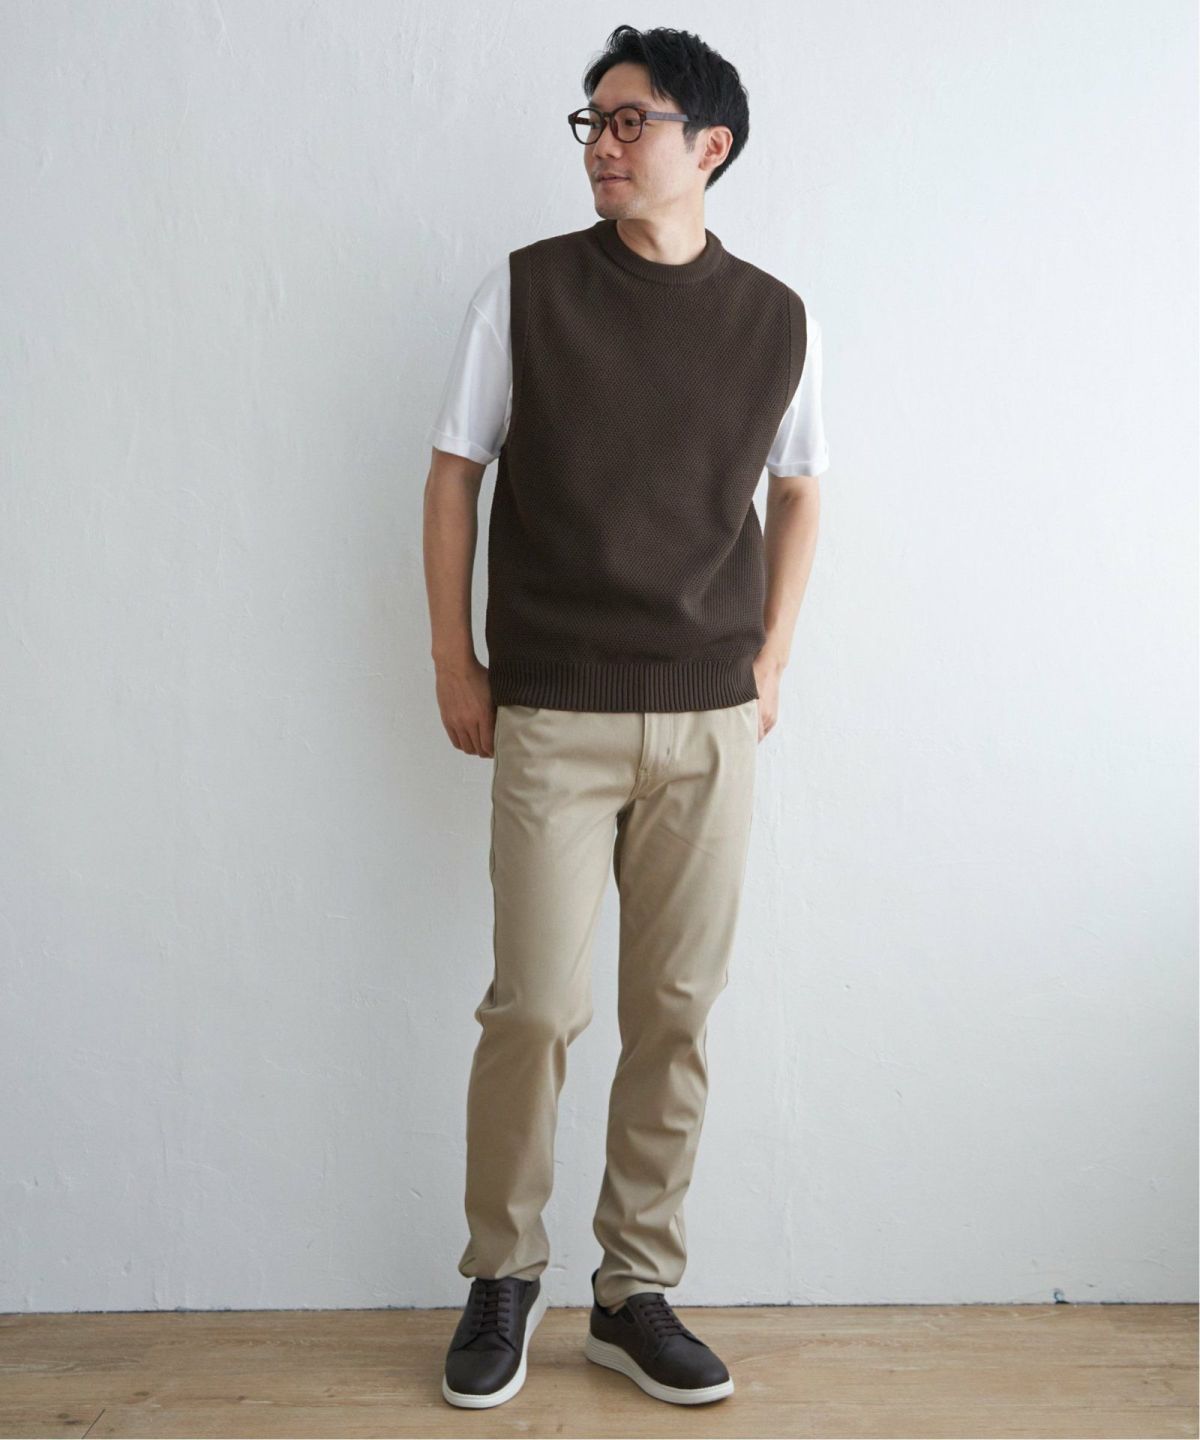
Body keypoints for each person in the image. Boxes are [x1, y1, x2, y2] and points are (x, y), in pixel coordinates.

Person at [422, 23, 828, 1410]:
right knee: (534, 1007)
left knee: (676, 1012)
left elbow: (802, 487)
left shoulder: (776, 318)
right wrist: (456, 660)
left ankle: (632, 1291)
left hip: (709, 718)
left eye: (629, 121)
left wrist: (772, 660)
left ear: (709, 145)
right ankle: (502, 1275)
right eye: (591, 121)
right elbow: (454, 470)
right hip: (553, 706)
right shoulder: (527, 291)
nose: (601, 143)